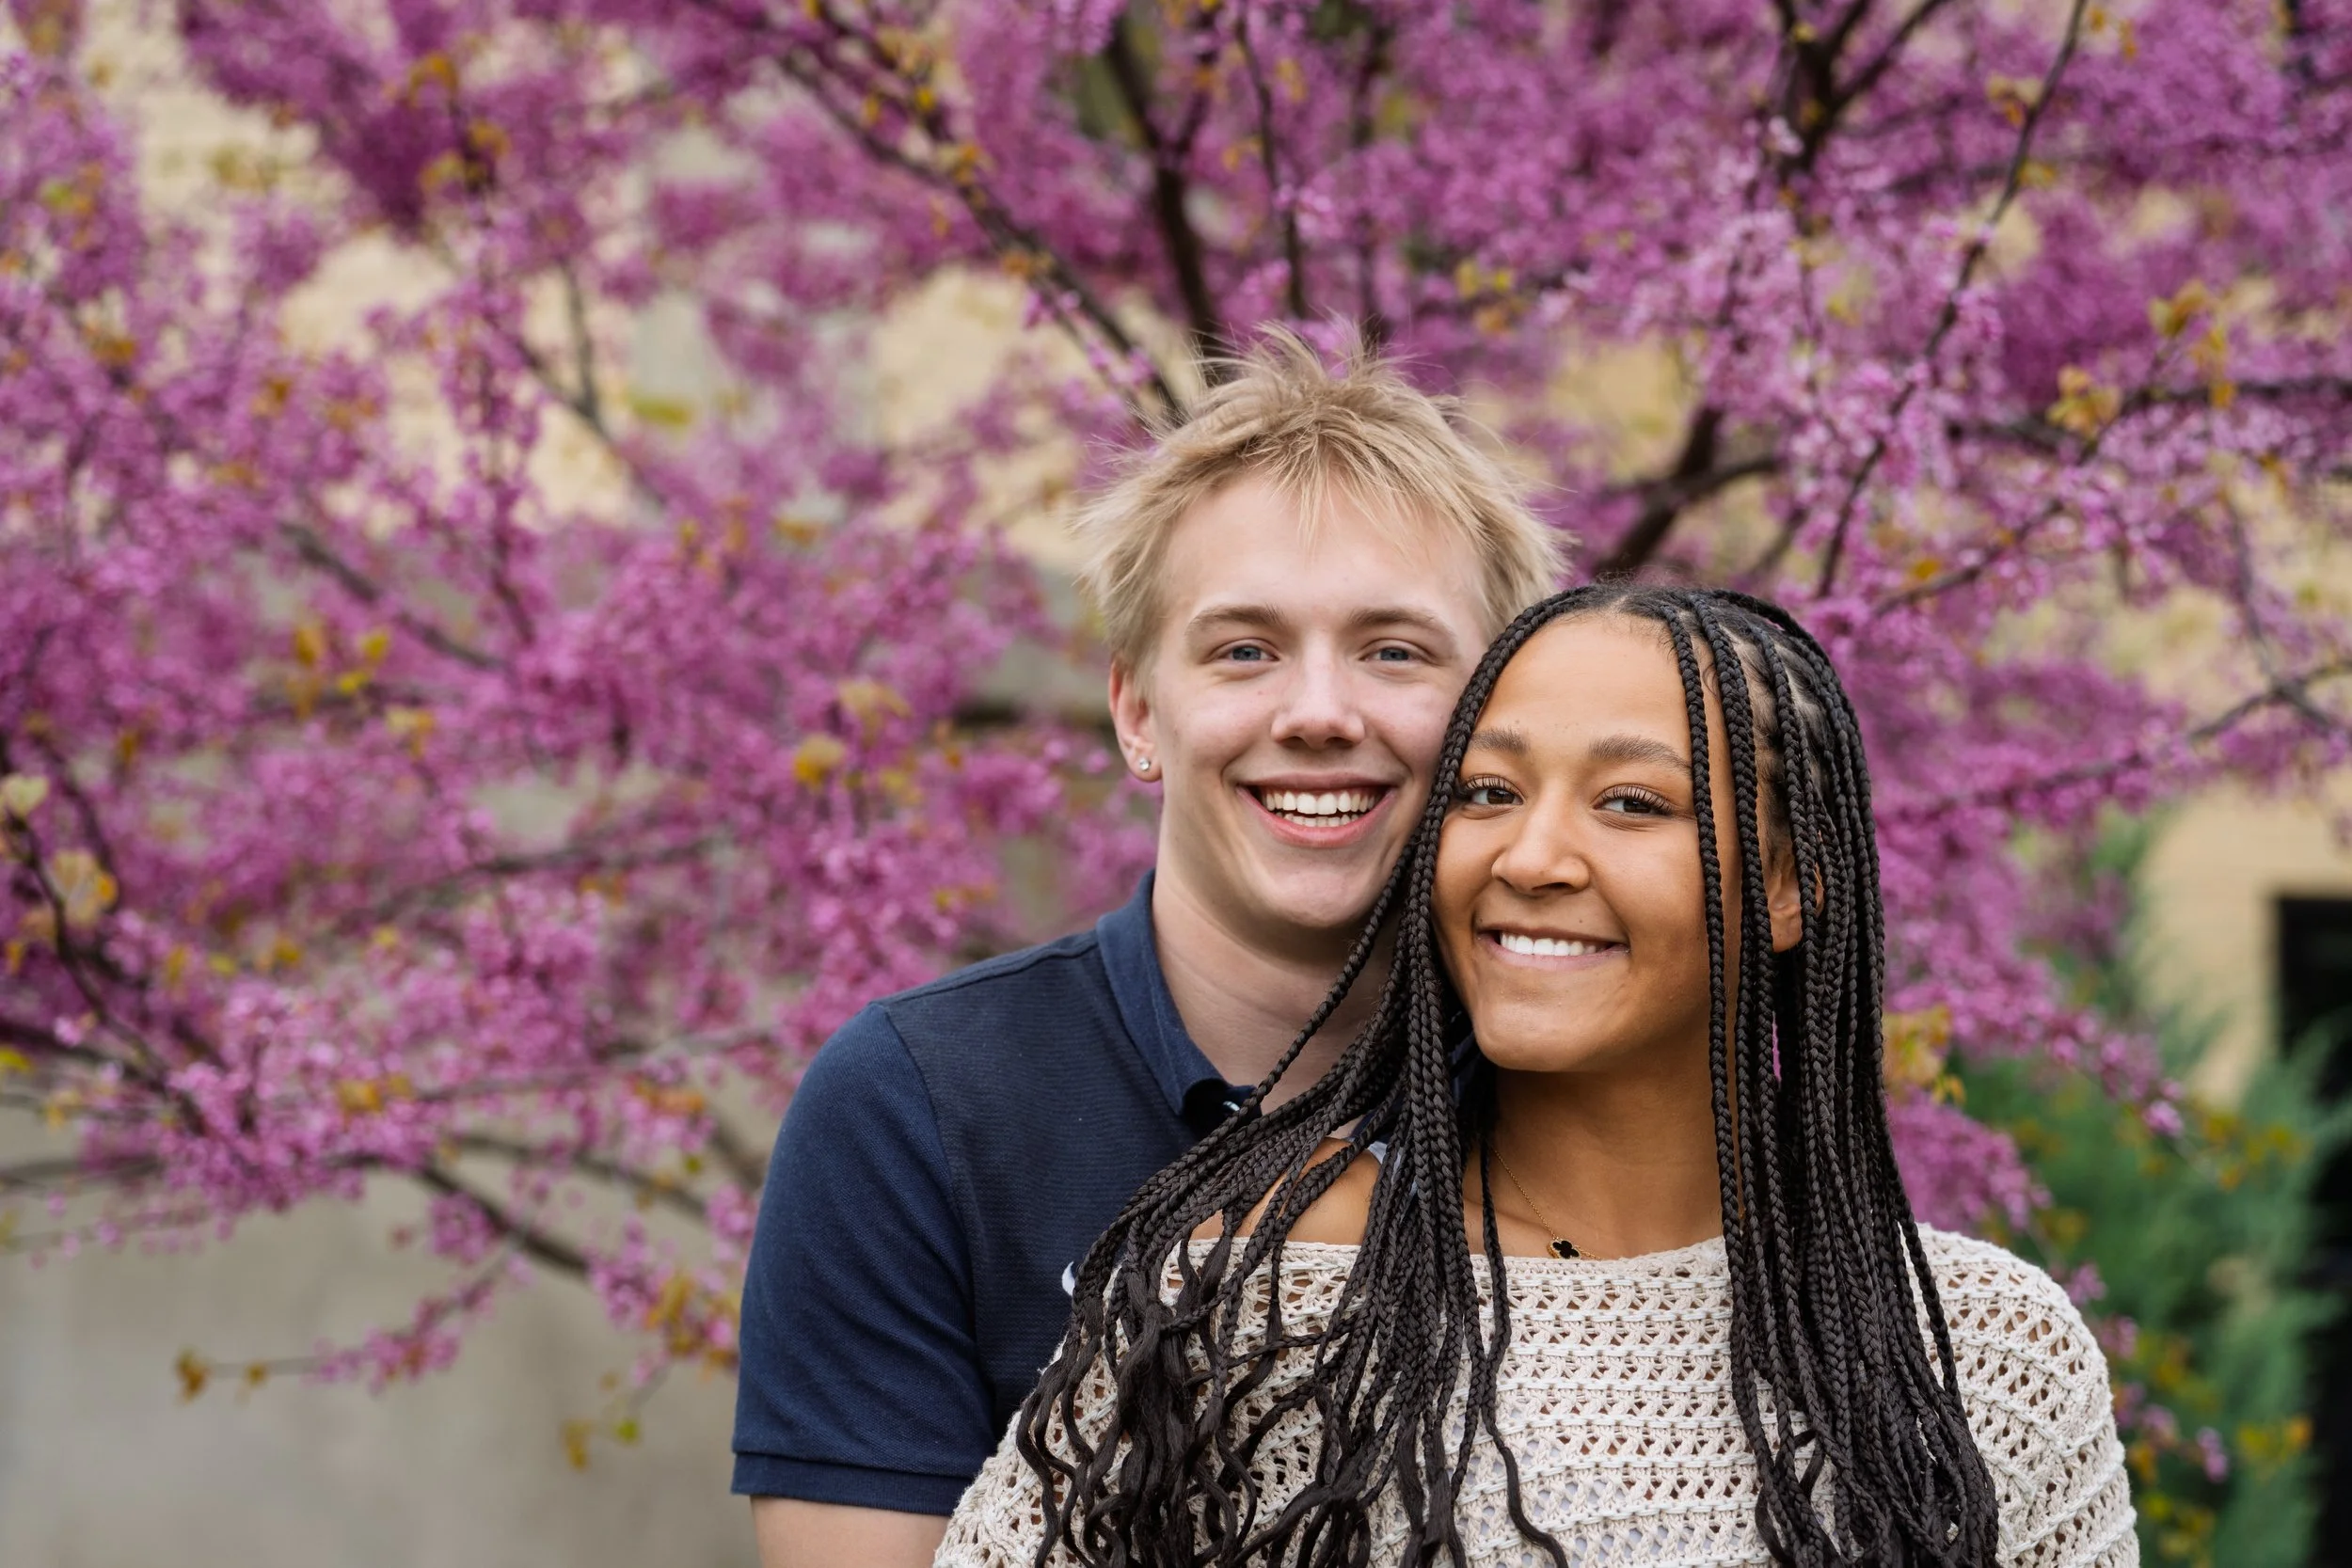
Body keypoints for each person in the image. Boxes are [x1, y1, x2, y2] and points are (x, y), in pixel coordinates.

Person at [938, 585, 2137, 1567]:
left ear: (1786, 884)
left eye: (1631, 801)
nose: (1532, 853)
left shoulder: (1985, 1355)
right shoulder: (1261, 1307)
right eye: (1489, 792)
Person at [732, 333, 1567, 1568]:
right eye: (1245, 648)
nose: (1320, 710)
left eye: (1396, 649)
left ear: (1493, 715)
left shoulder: (1601, 1091)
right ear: (1138, 711)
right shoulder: (916, 1105)